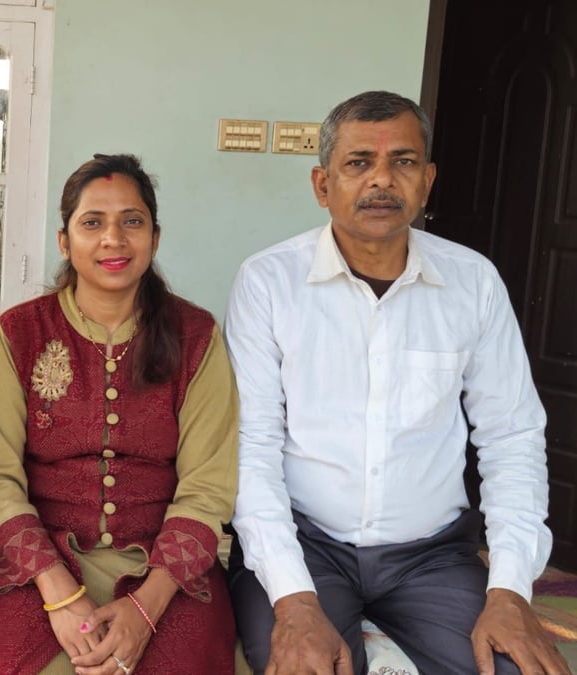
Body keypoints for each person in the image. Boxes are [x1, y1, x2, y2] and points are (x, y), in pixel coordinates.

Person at [225, 90, 570, 675]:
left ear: (427, 180)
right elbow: (251, 448)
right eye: (358, 163)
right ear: (321, 184)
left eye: (403, 162)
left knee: (517, 668)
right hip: (308, 547)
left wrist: (510, 592)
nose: (381, 180)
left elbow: (511, 438)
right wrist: (295, 599)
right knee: (306, 667)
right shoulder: (268, 283)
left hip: (431, 557)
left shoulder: (473, 283)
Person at [0, 153, 240, 674]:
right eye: (92, 223)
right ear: (65, 241)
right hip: (38, 565)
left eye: (131, 222)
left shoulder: (196, 336)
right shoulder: (20, 333)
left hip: (165, 570)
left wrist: (147, 607)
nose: (113, 239)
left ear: (154, 239)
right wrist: (58, 595)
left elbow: (207, 489)